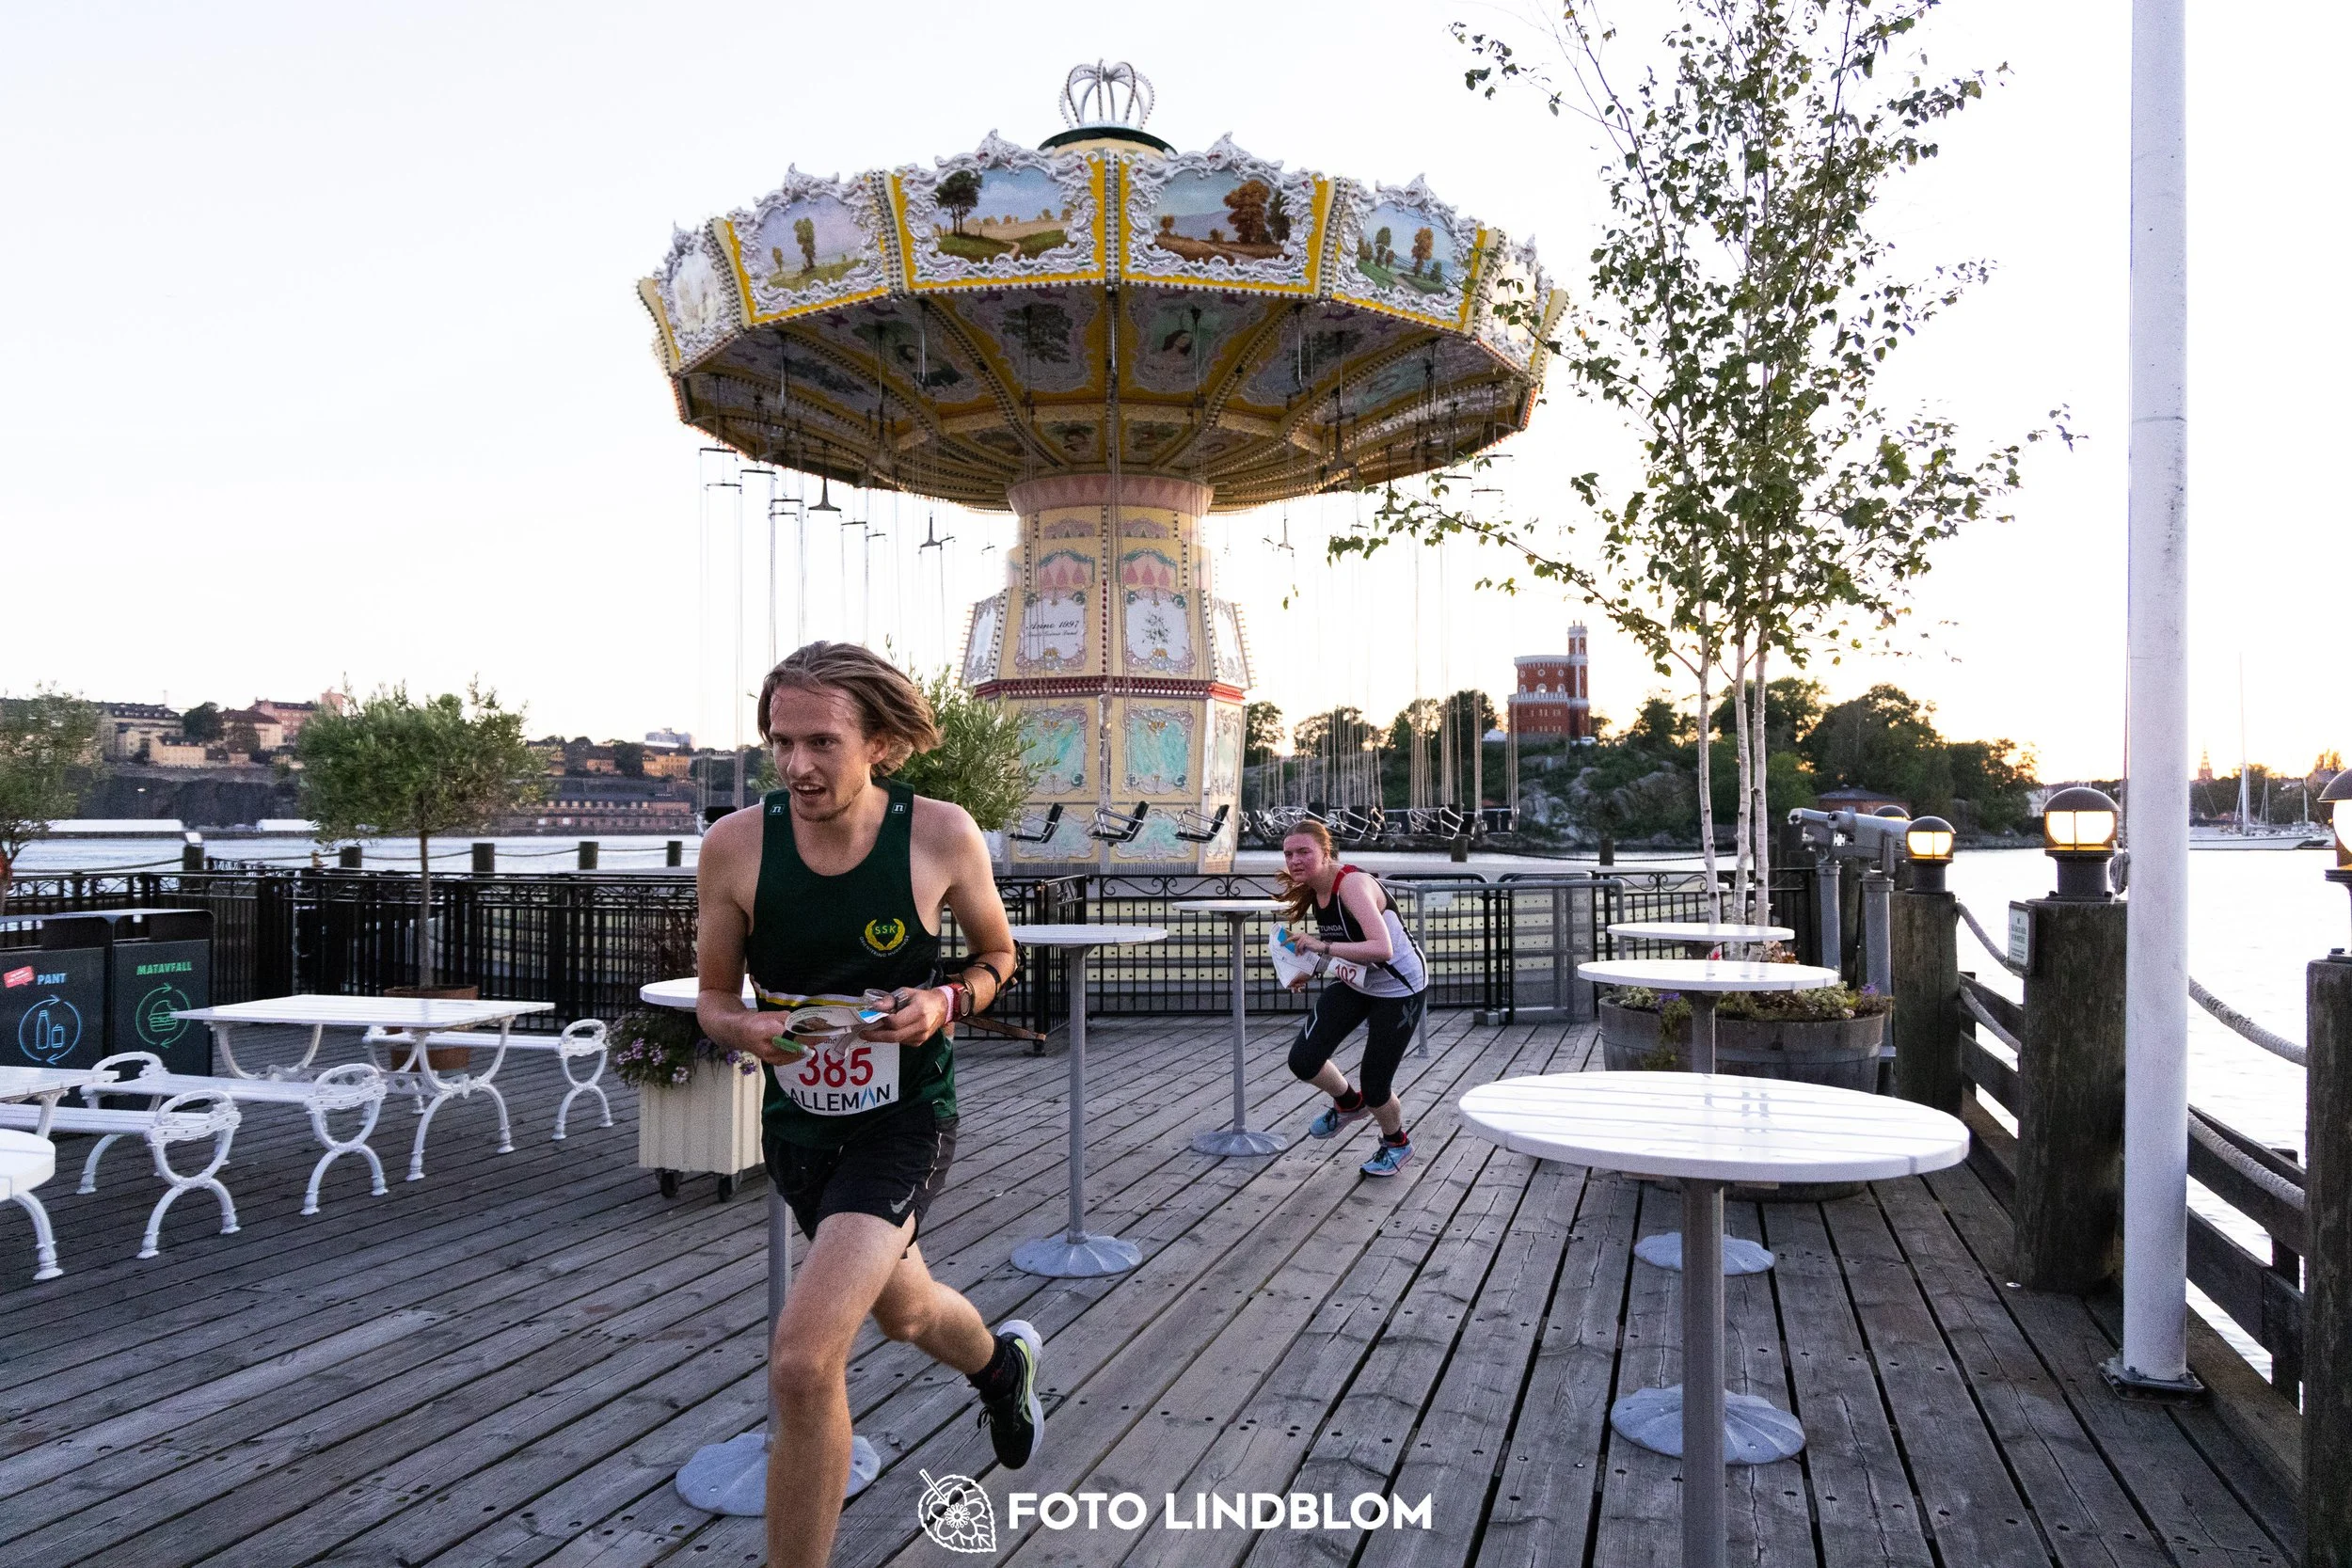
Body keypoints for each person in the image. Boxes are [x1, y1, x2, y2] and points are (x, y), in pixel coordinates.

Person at [695, 641, 1037, 1568]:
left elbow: (998, 959)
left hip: (906, 1114)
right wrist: (746, 1031)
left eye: (822, 741)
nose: (798, 764)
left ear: (880, 743)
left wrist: (944, 1001)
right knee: (910, 1311)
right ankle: (1002, 1368)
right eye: (780, 741)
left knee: (804, 1359)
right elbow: (715, 999)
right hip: (802, 1124)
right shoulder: (734, 844)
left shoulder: (939, 835)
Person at [1275, 820, 1429, 1177]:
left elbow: (1382, 949)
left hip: (1398, 988)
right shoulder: (1316, 888)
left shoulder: (1352, 885)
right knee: (1303, 1059)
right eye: (1288, 854)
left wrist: (1320, 946)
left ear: (1326, 852)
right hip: (1359, 982)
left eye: (1303, 852)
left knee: (1376, 1086)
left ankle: (1396, 1143)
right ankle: (1347, 1104)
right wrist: (1310, 969)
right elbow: (1348, 947)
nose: (1295, 860)